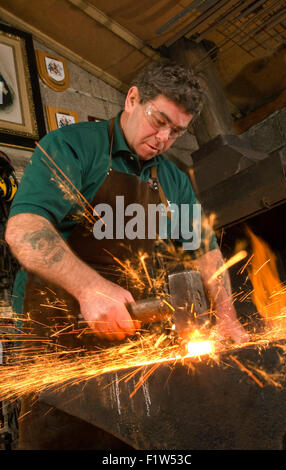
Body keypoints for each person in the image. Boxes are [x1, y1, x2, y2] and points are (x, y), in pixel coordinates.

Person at [5, 61, 248, 449]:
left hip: (130, 341)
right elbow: (25, 229)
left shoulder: (172, 180)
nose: (163, 138)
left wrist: (227, 317)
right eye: (159, 120)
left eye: (177, 131)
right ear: (133, 98)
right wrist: (90, 289)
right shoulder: (74, 146)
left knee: (130, 443)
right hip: (55, 340)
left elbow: (206, 254)